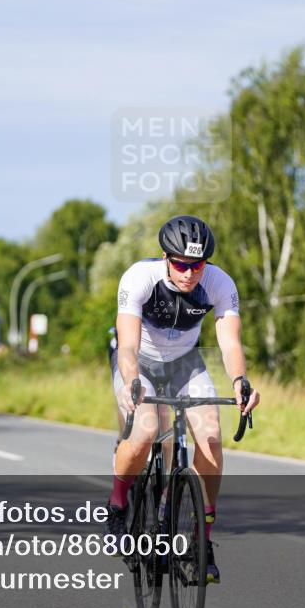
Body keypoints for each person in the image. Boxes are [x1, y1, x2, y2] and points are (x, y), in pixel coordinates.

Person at [105, 215, 261, 585]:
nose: (190, 273)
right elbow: (127, 344)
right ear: (165, 257)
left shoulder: (219, 283)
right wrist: (131, 383)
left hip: (185, 364)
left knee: (210, 438)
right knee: (143, 434)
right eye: (181, 265)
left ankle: (202, 538)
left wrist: (240, 380)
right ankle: (117, 504)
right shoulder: (138, 278)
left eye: (198, 264)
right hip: (138, 361)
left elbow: (230, 342)